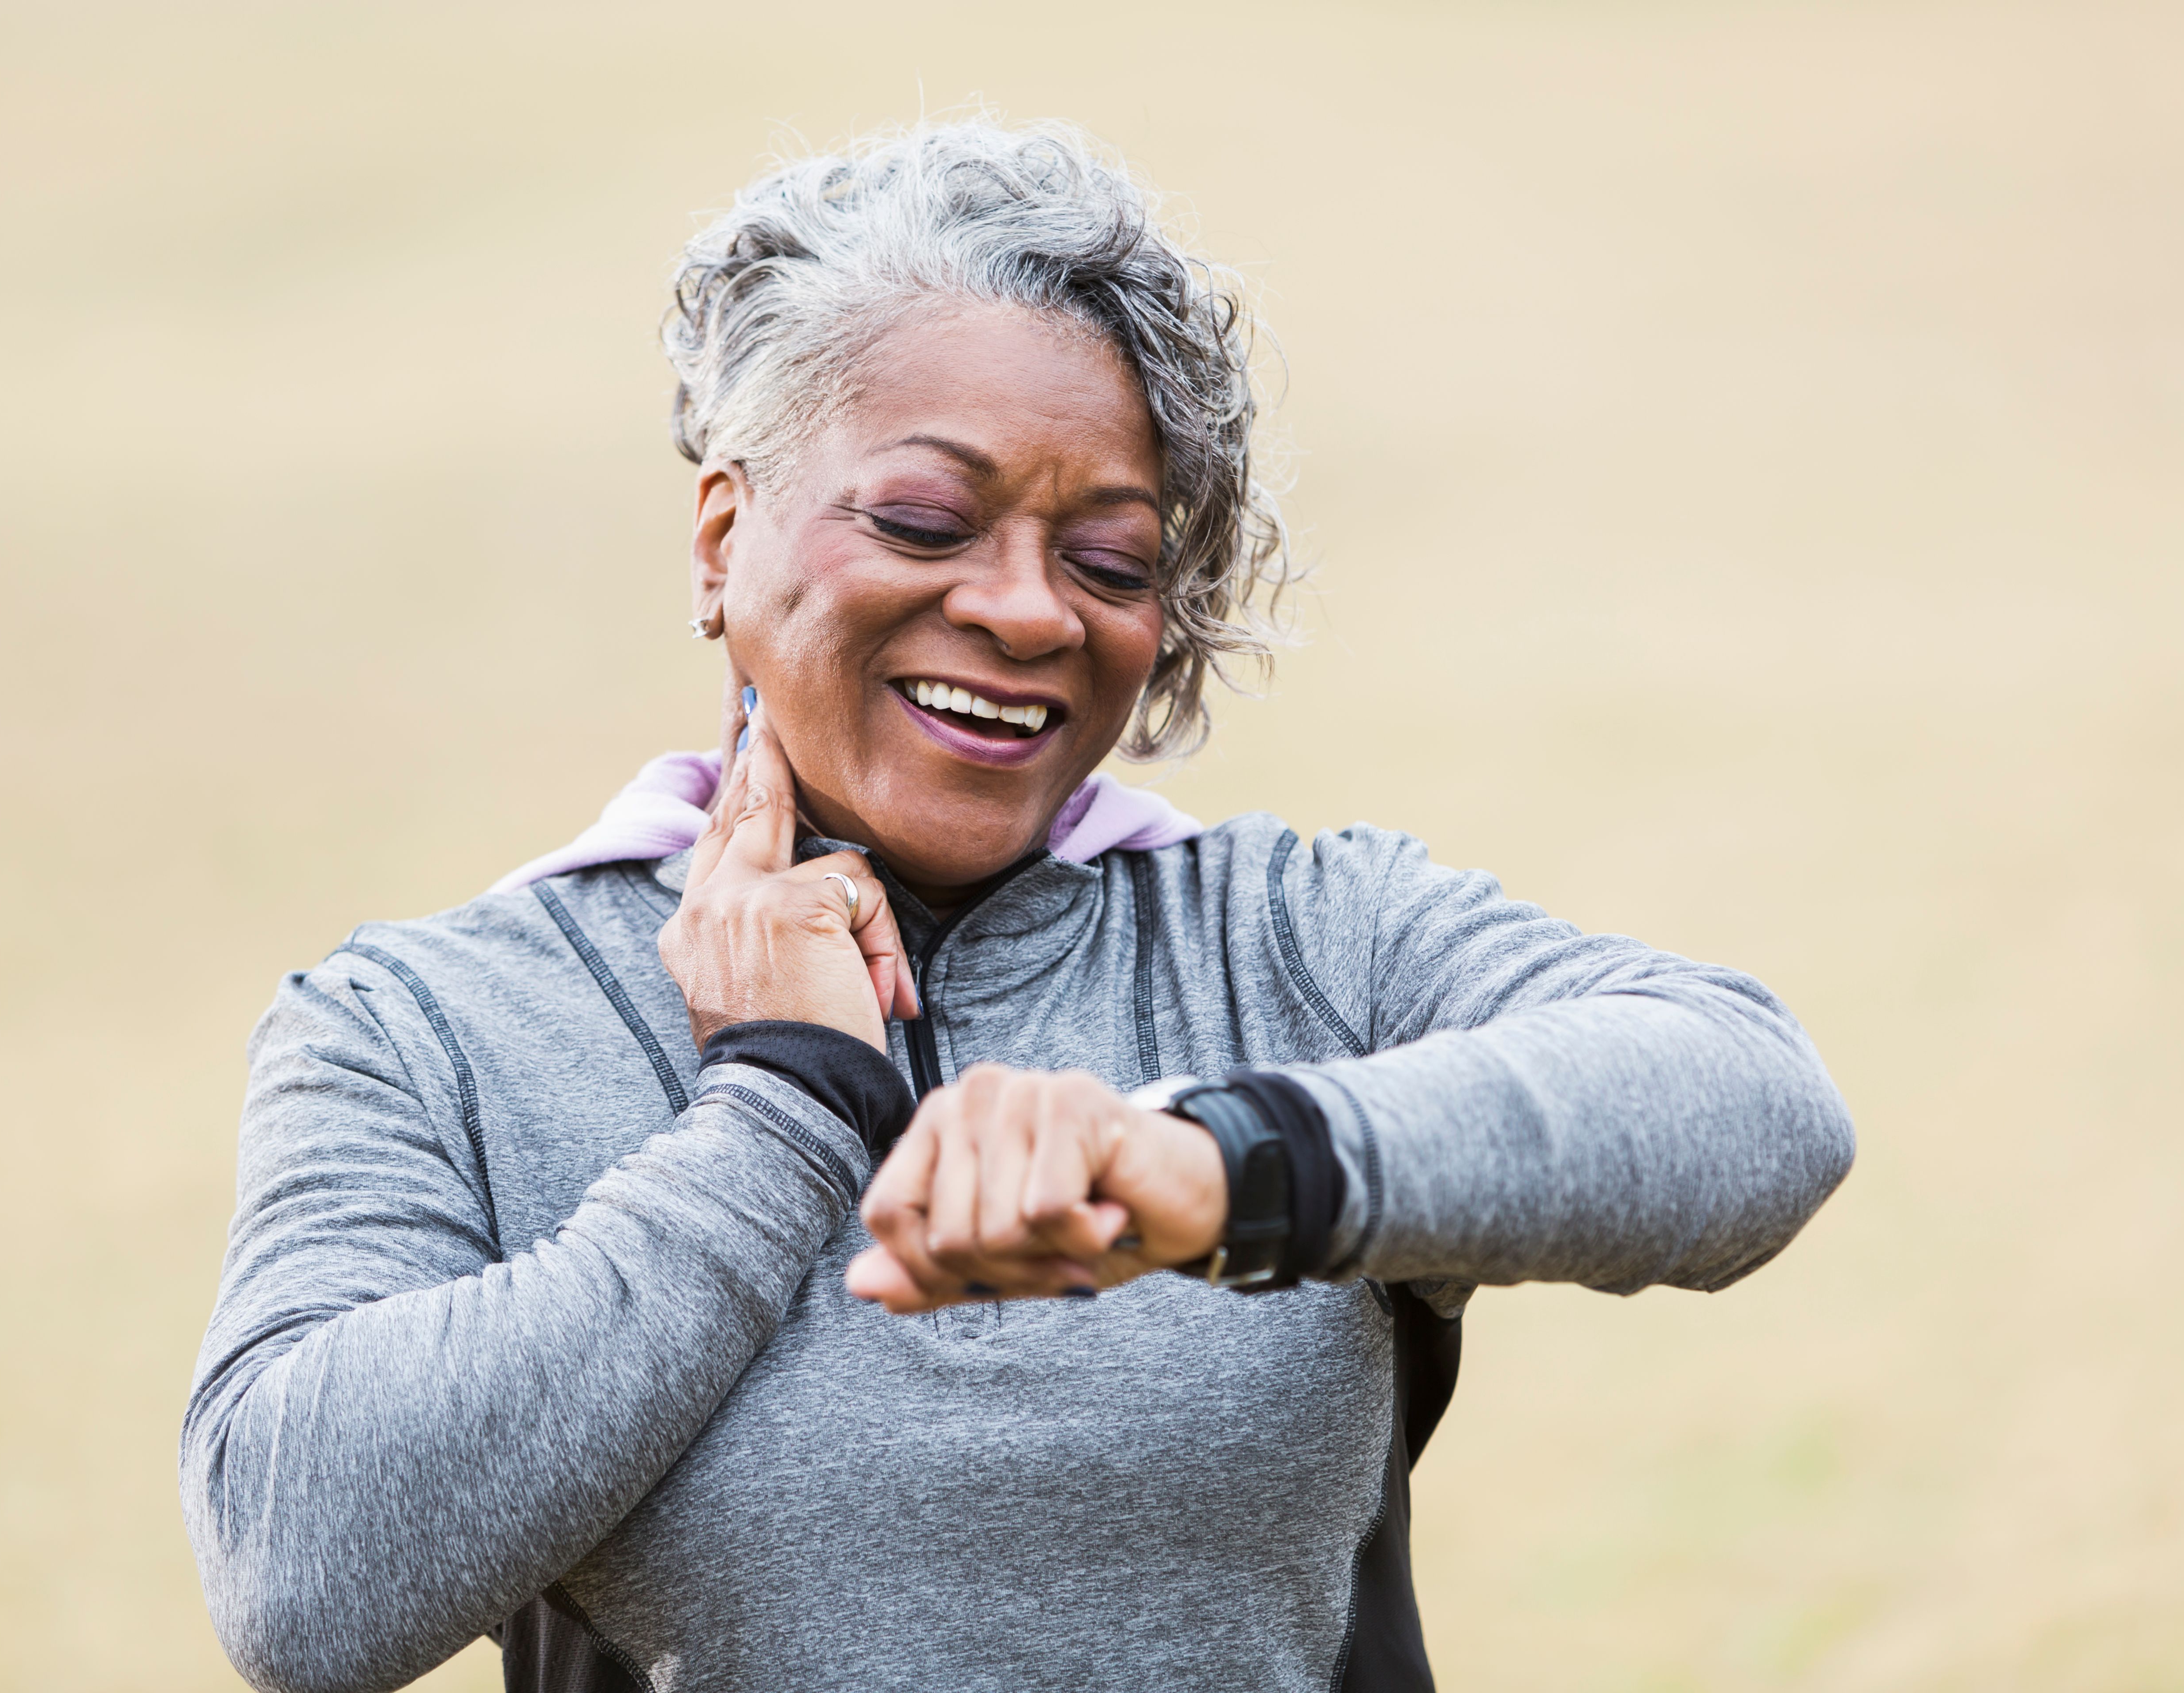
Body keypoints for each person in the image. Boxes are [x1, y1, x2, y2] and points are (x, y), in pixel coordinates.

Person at [182, 119, 1855, 1693]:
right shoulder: (434, 1026)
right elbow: (299, 1582)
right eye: (925, 518)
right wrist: (779, 1112)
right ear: (723, 533)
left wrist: (1206, 1166)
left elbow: (1754, 1104)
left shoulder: (1291, 936)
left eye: (1112, 561)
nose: (1026, 610)